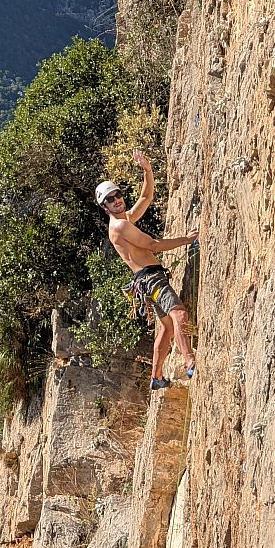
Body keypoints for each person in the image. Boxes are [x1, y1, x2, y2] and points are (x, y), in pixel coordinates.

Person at [95, 151, 198, 390]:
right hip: (151, 279)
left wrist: (147, 171)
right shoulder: (120, 226)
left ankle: (156, 377)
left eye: (118, 195)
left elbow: (146, 196)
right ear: (104, 207)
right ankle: (189, 361)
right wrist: (187, 240)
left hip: (146, 282)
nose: (117, 200)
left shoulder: (125, 219)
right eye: (110, 199)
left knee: (167, 327)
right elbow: (152, 245)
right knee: (179, 315)